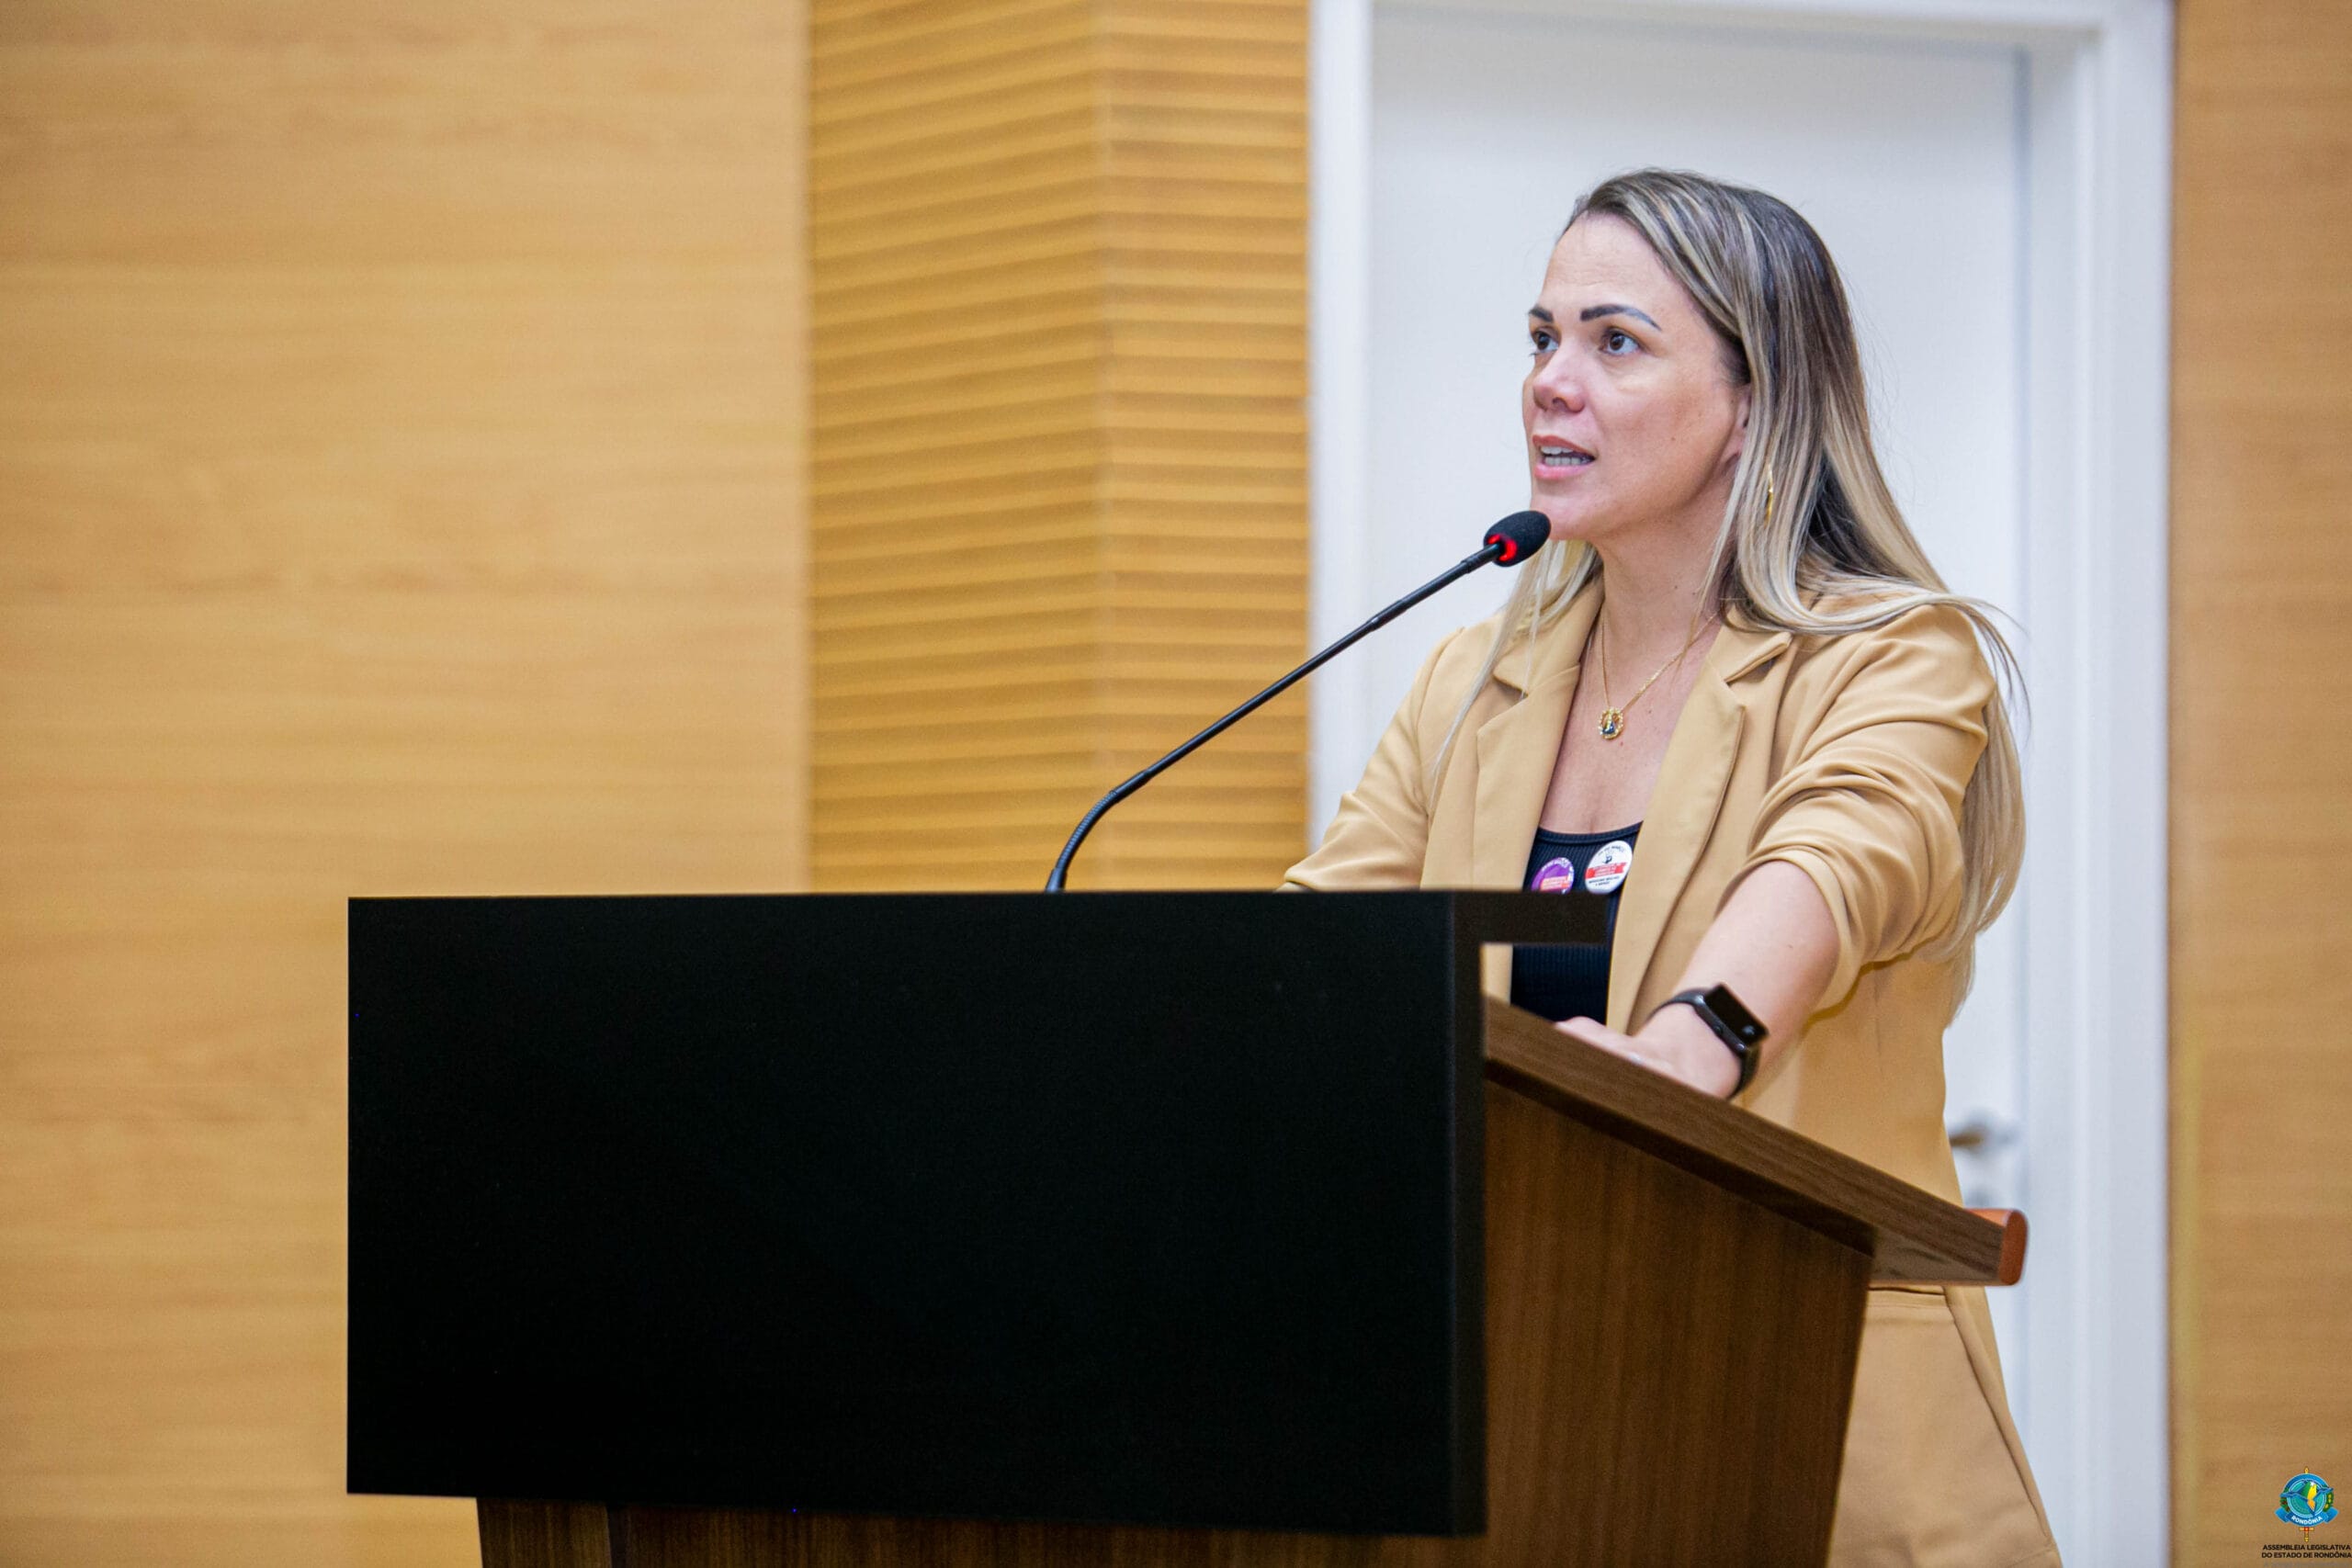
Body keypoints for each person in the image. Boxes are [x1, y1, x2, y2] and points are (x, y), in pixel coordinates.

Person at [1282, 169, 2062, 1567]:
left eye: (1616, 342)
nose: (1551, 381)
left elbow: (1841, 855)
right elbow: (1322, 951)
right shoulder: (1475, 681)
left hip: (1807, 1411)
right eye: (1542, 338)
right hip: (1541, 1421)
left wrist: (1696, 1042)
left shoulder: (1887, 658)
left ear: (1755, 403)